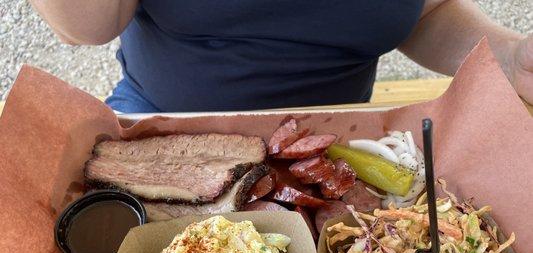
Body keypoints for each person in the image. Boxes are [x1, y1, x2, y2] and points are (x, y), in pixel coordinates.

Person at [30, 1, 532, 113]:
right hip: (161, 136)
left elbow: (425, 13)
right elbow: (83, 25)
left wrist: (509, 59)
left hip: (346, 149)